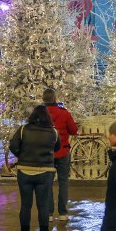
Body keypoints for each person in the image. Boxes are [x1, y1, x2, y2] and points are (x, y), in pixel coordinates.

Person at [9, 105, 60, 231]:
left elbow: (13, 145)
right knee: (42, 205)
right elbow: (57, 147)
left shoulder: (23, 129)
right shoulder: (53, 132)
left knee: (25, 205)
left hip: (24, 171)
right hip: (45, 172)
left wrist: (22, 156)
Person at [43, 88, 78, 222]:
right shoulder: (64, 113)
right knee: (63, 182)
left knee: (48, 183)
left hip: (46, 154)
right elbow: (73, 131)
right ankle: (63, 213)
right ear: (55, 99)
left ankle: (49, 213)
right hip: (63, 152)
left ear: (43, 99)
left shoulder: (40, 114)